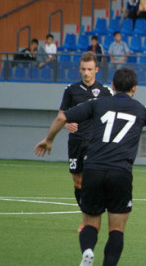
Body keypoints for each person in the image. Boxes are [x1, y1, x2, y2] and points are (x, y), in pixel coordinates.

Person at [34, 67, 146, 266]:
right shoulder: (141, 110)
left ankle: (87, 251)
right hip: (120, 172)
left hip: (93, 168)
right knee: (116, 228)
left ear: (113, 86)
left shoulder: (98, 103)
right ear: (135, 88)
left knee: (90, 222)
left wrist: (49, 139)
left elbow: (62, 116)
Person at [54, 52, 114, 232]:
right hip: (76, 142)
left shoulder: (105, 92)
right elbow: (61, 115)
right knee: (78, 182)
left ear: (96, 70)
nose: (86, 73)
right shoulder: (70, 90)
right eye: (83, 69)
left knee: (93, 180)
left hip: (95, 142)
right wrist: (66, 123)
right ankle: (86, 217)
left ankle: (91, 219)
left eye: (89, 69)